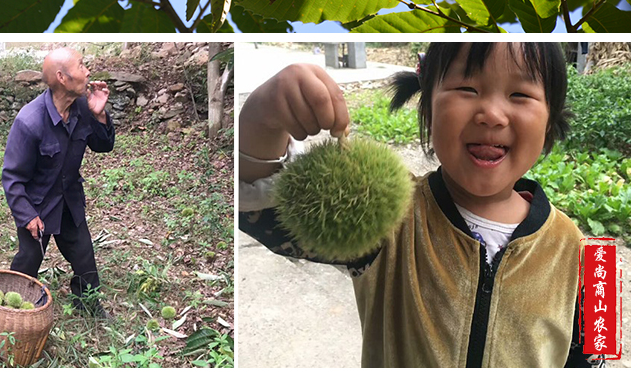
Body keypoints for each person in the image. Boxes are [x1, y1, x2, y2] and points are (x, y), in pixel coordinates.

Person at [239, 42, 604, 368]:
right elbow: (264, 217)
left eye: (520, 95)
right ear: (427, 109)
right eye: (467, 88)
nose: (492, 114)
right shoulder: (383, 215)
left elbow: (596, 352)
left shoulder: (589, 254)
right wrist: (260, 122)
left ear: (550, 120)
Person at [2, 46, 115, 317]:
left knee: (85, 257)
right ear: (63, 77)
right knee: (28, 260)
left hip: (69, 201)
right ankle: (6, 311)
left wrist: (100, 114)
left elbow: (103, 145)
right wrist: (28, 216)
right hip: (37, 206)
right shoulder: (29, 121)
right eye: (81, 66)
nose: (88, 71)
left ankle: (87, 305)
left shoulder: (82, 108)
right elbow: (12, 177)